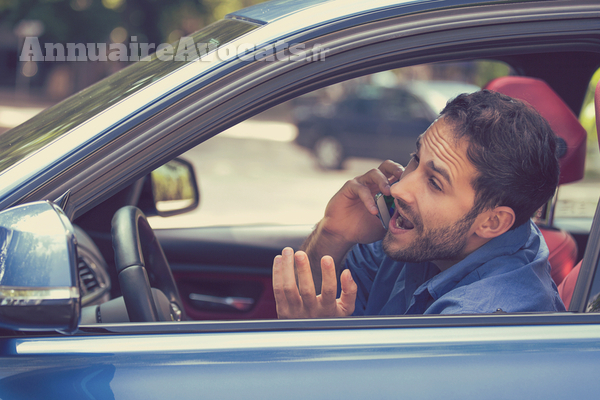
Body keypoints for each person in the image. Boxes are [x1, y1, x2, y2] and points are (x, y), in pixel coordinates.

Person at [272, 89, 566, 318]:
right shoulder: (421, 235)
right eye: (416, 159)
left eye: (435, 183)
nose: (399, 188)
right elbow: (314, 303)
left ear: (492, 222)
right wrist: (333, 234)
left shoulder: (480, 321)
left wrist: (316, 342)